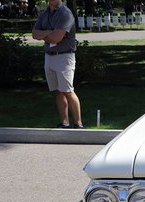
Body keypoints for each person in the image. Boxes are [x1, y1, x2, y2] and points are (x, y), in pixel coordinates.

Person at [32, 0, 84, 129]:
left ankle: (78, 124)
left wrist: (44, 34)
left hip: (64, 57)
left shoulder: (65, 13)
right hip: (49, 56)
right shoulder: (44, 13)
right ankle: (64, 122)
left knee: (68, 91)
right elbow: (34, 33)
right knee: (57, 91)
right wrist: (50, 32)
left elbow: (56, 38)